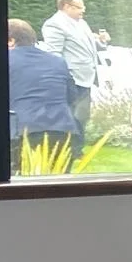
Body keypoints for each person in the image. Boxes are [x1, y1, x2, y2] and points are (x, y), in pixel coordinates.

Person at [6, 20, 78, 176]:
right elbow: (72, 95)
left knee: (20, 188)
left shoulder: (4, 60)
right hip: (62, 129)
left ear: (11, 40)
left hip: (23, 131)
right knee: (59, 187)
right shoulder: (57, 61)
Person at [40, 0, 109, 155]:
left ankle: (77, 149)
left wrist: (101, 41)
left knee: (82, 116)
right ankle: (67, 149)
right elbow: (54, 53)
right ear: (66, 7)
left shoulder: (82, 23)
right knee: (70, 115)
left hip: (86, 77)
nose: (83, 11)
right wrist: (64, 77)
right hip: (71, 79)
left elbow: (90, 45)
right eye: (80, 7)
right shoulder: (54, 25)